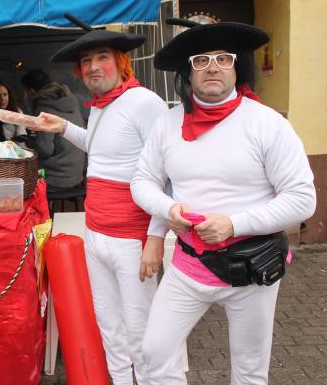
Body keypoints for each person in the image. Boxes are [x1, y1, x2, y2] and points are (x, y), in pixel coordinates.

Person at [130, 20, 316, 385]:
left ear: (237, 67)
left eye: (222, 58)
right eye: (200, 60)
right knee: (154, 351)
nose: (212, 66)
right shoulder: (167, 124)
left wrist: (234, 224)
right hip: (187, 264)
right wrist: (168, 210)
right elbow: (143, 180)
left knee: (249, 370)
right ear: (188, 72)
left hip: (251, 268)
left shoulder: (267, 124)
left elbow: (302, 198)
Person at [27, 23, 169, 384]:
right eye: (86, 61)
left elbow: (168, 174)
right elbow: (102, 148)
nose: (93, 67)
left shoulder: (144, 102)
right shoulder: (102, 106)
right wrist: (62, 127)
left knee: (141, 332)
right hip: (97, 234)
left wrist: (155, 238)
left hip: (131, 238)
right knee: (109, 325)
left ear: (121, 62)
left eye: (102, 57)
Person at [21, 68, 85, 192]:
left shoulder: (43, 109)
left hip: (56, 179)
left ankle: (43, 211)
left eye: (25, 92)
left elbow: (45, 150)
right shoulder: (71, 101)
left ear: (31, 92)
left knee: (20, 178)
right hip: (77, 176)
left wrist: (29, 143)